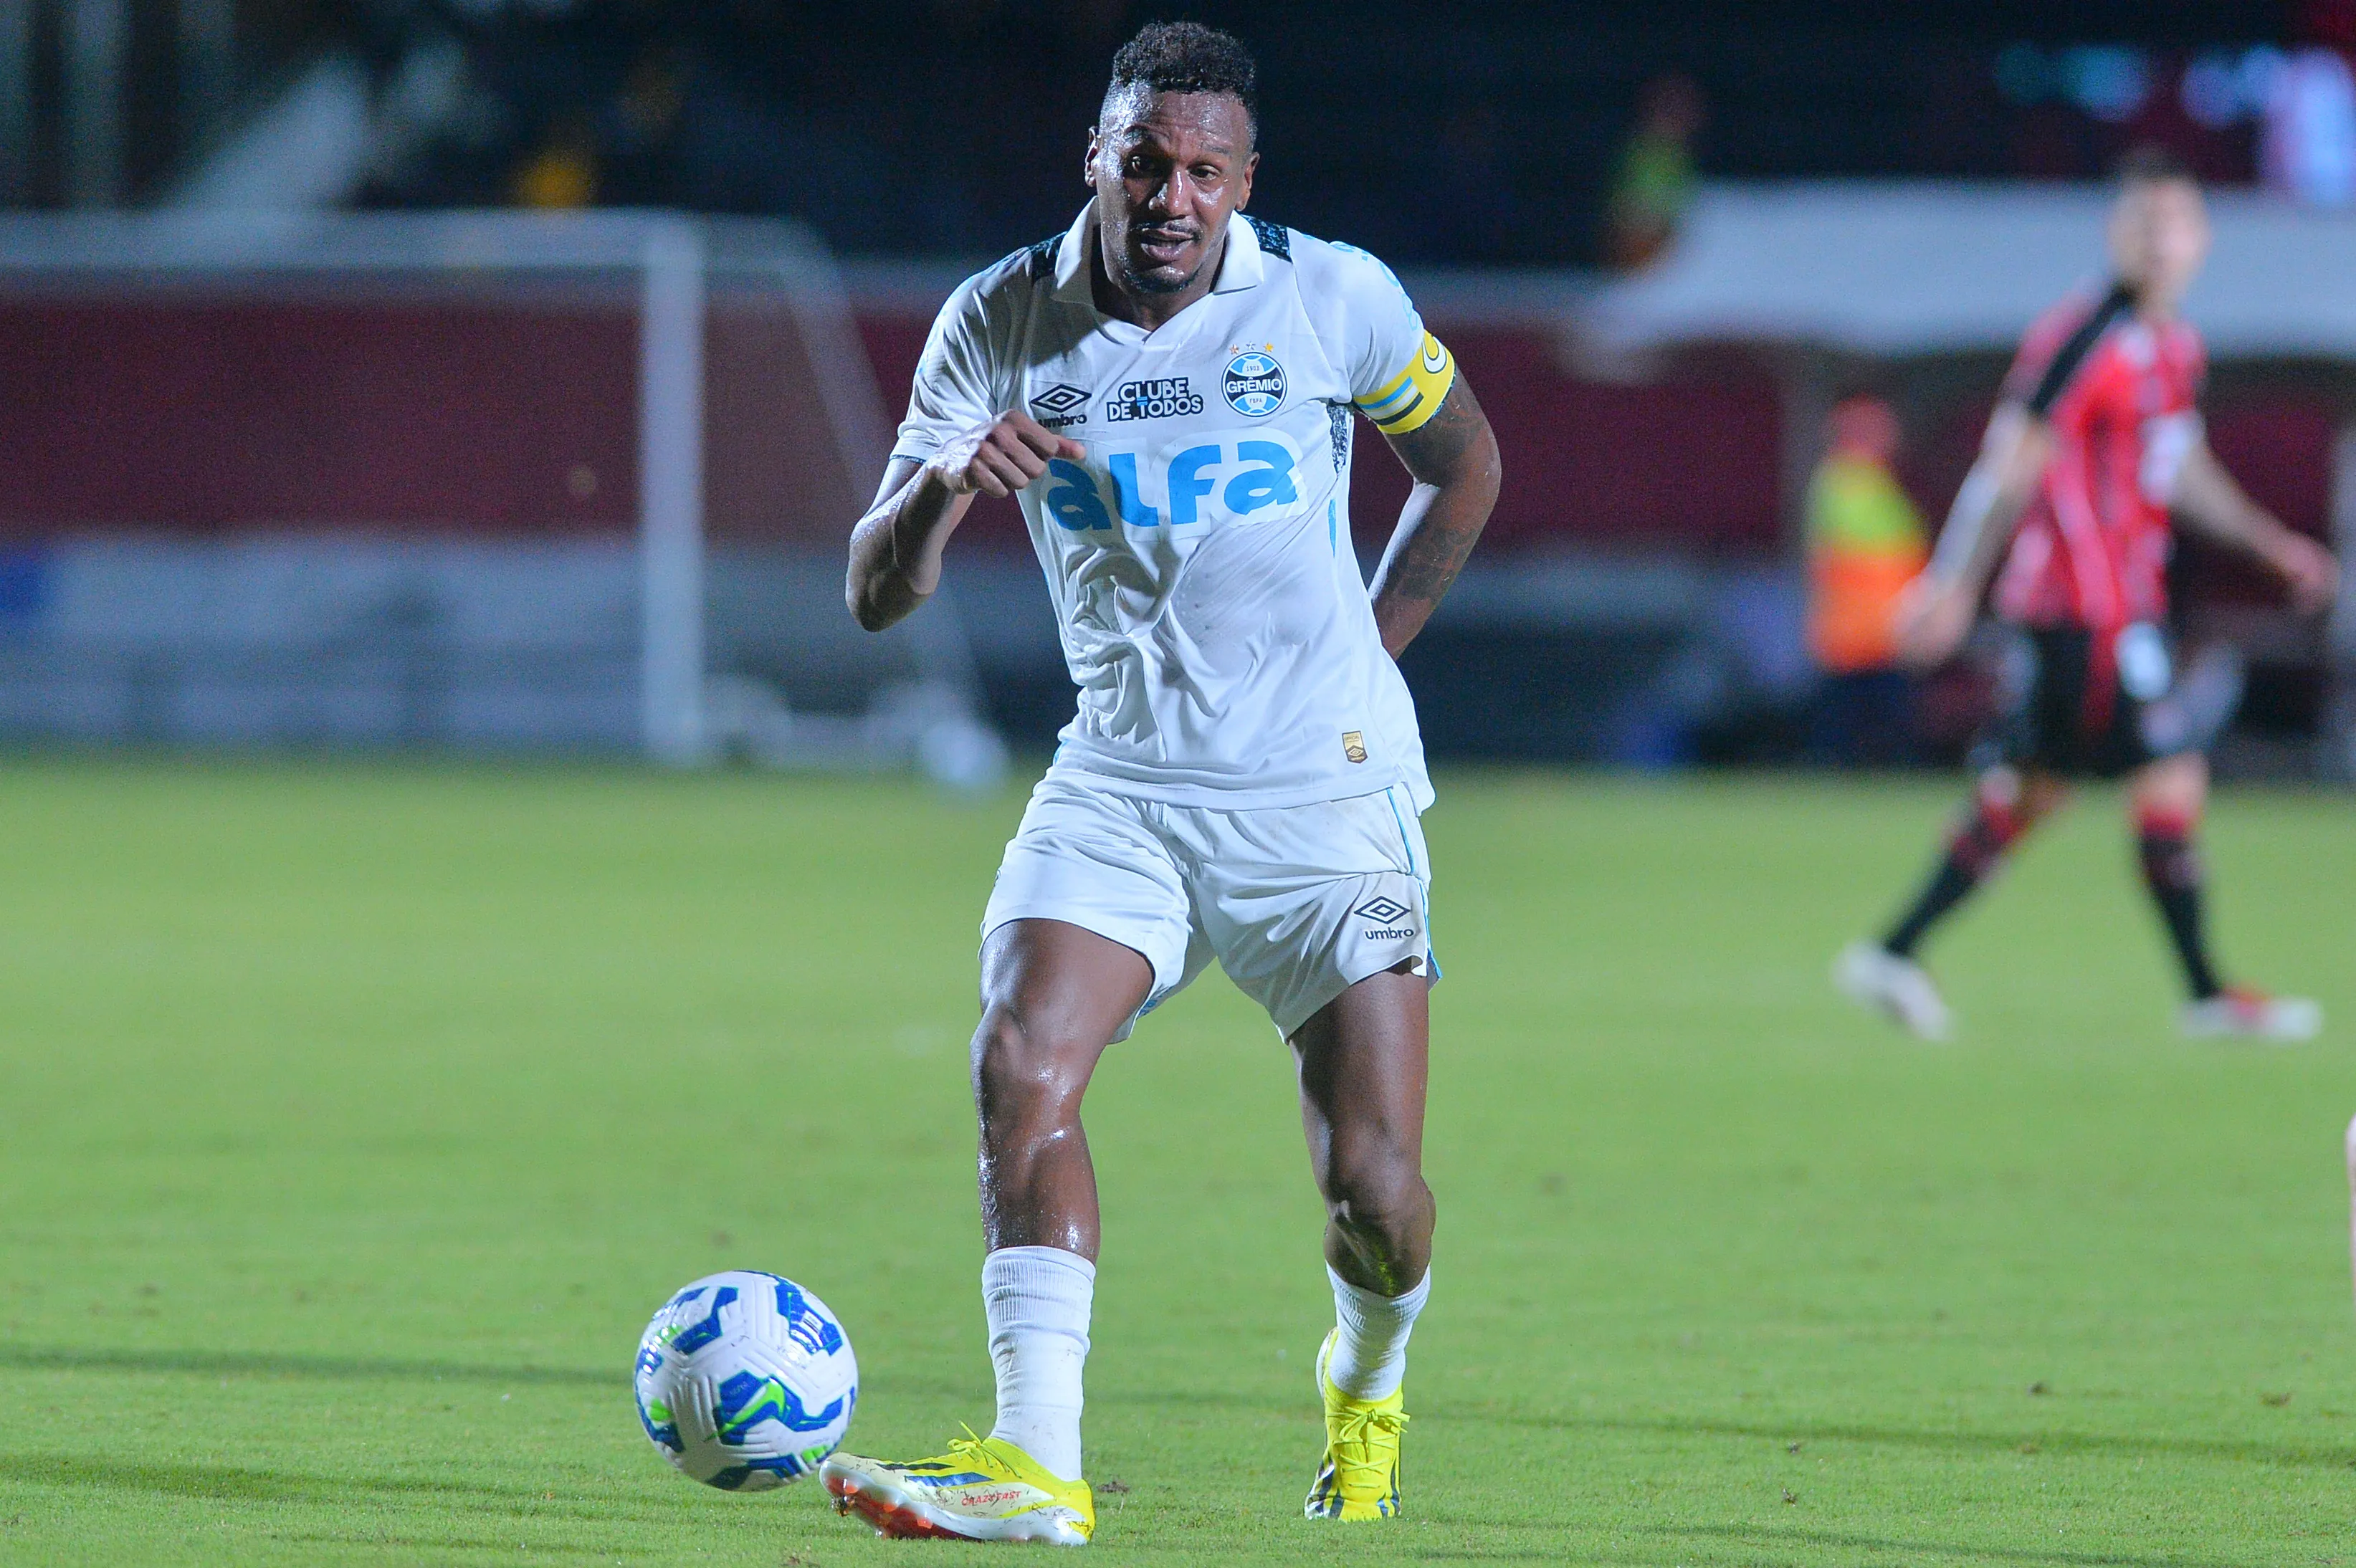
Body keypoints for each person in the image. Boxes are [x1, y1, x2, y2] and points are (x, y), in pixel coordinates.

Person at [819, 21, 1501, 1544]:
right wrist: (942, 487)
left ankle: (1365, 1377)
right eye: (1144, 163)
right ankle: (1035, 1461)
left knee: (1374, 1191)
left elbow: (1463, 467)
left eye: (1202, 171)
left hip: (1319, 796)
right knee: (1019, 1061)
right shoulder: (999, 316)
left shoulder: (1331, 295)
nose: (1170, 197)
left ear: (1243, 182)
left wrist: (1370, 652)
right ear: (1097, 160)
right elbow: (872, 593)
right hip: (1120, 779)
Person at [1835, 147, 2337, 1043]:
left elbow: (2176, 467)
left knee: (2035, 791)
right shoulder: (2082, 336)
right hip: (2080, 609)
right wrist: (1951, 583)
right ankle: (2204, 995)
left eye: (2172, 223)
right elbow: (2010, 460)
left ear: (2201, 238)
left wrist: (2270, 546)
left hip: (2110, 608)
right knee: (2165, 775)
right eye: (2141, 223)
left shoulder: (2171, 346)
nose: (2156, 241)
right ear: (2113, 233)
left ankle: (1893, 951)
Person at [1805, 394, 1929, 766]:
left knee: (1880, 726)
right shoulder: (1848, 480)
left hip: (1879, 631)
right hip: (1859, 632)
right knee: (1853, 732)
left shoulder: (1874, 479)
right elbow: (1876, 556)